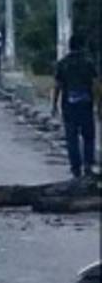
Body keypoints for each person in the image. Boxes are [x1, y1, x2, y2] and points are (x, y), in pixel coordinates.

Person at [52, 32, 98, 178]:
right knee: (88, 136)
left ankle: (75, 169)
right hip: (86, 105)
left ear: (70, 46)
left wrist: (54, 105)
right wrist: (99, 105)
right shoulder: (88, 62)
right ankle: (88, 165)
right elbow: (96, 85)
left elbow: (58, 85)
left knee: (72, 138)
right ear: (83, 46)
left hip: (69, 106)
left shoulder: (63, 63)